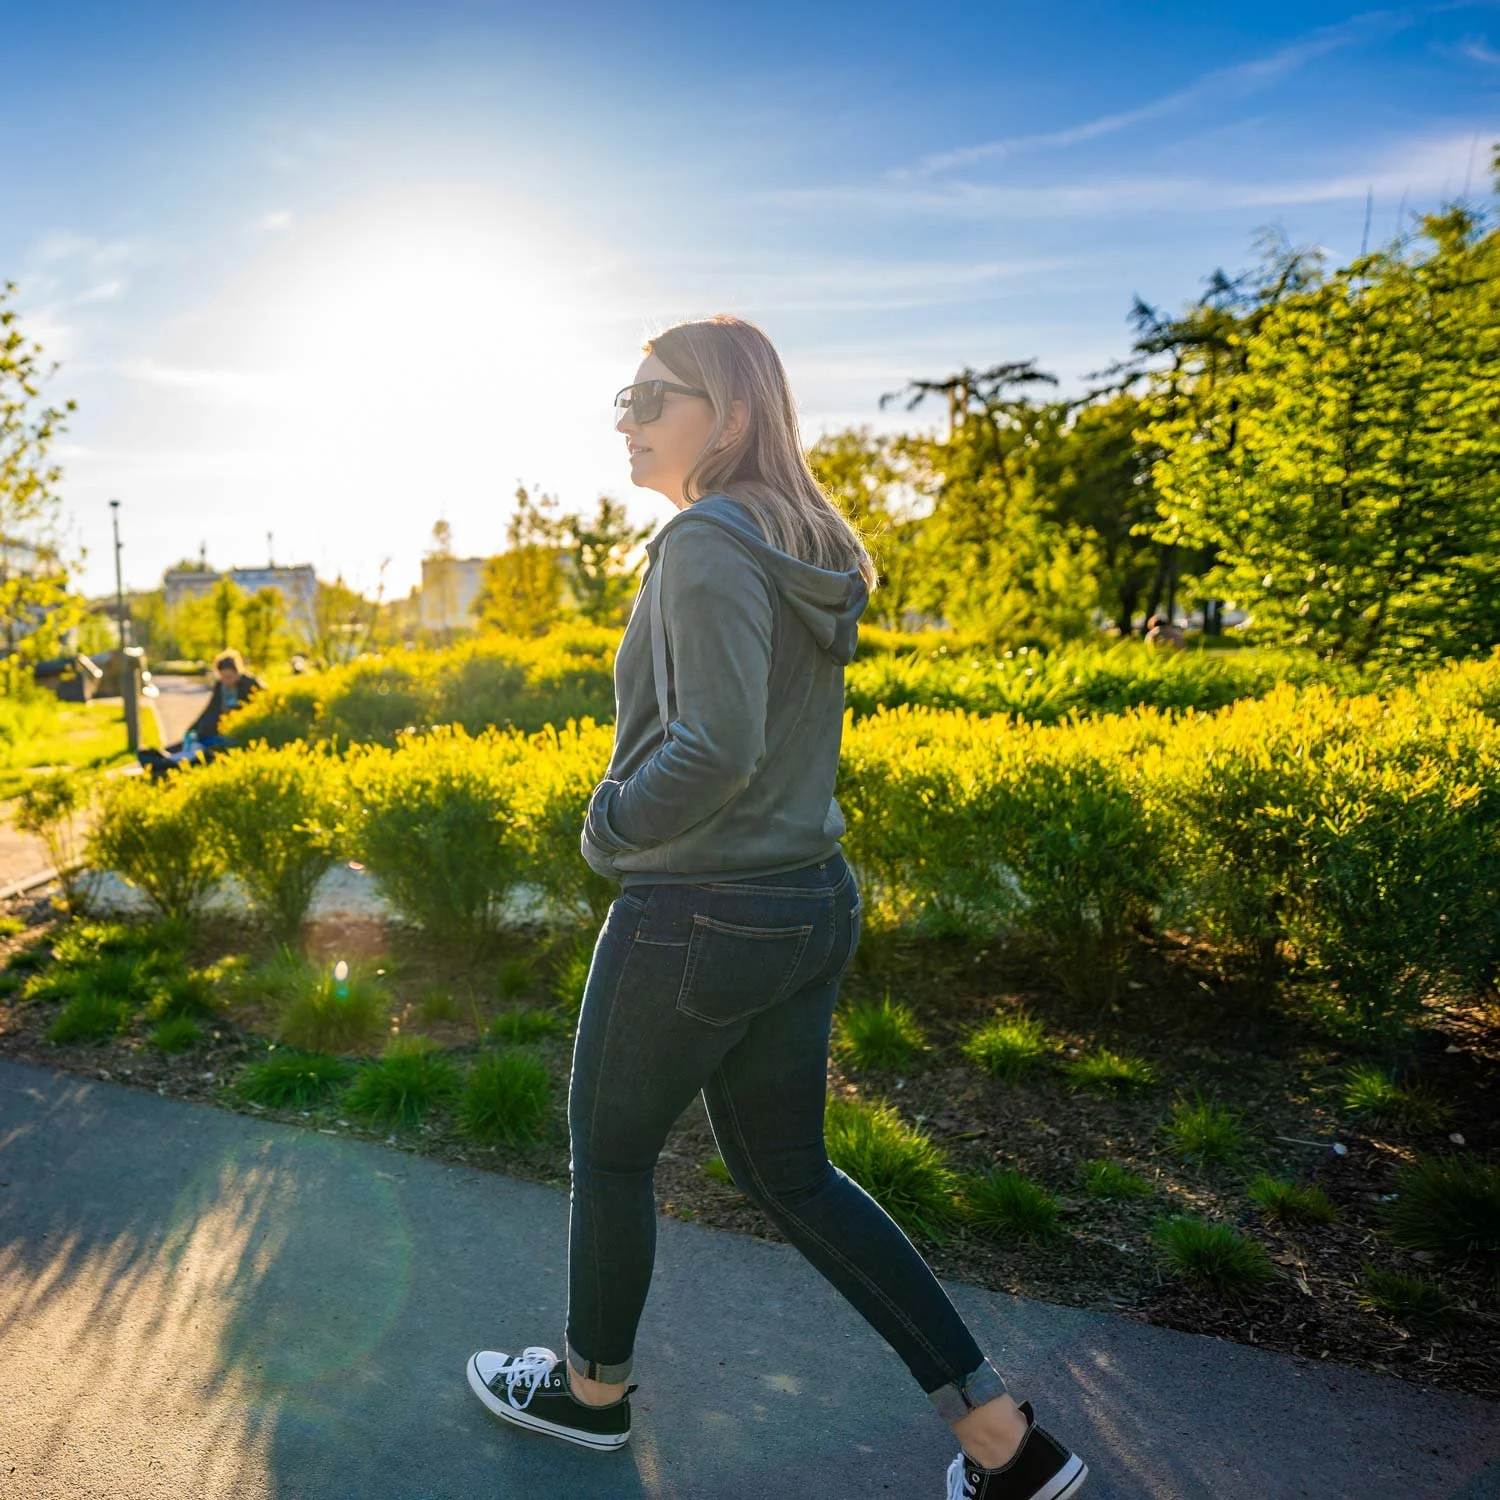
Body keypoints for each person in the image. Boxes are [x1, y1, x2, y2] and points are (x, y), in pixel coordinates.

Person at [464, 316, 1089, 1500]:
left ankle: (590, 1398)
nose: (627, 420)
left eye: (654, 400)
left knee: (609, 1154)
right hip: (808, 901)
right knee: (793, 1177)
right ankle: (1005, 1442)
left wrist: (610, 823)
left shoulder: (706, 539)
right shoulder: (799, 542)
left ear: (733, 414)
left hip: (697, 913)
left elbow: (716, 747)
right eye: (624, 399)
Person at [137, 649, 262, 781]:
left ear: (238, 672)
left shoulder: (250, 684)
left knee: (200, 751)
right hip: (217, 732)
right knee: (180, 746)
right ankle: (158, 759)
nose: (227, 681)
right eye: (223, 677)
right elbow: (209, 711)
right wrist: (192, 729)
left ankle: (164, 762)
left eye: (229, 677)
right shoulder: (221, 686)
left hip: (236, 734)